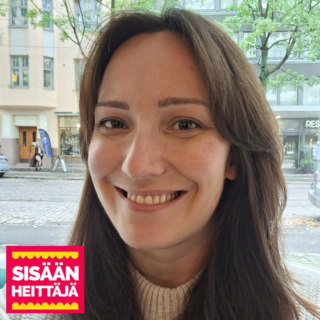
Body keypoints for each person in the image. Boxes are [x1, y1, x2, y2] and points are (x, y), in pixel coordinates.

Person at [1, 8, 320, 320]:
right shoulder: (34, 291)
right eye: (113, 123)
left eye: (184, 124)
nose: (137, 166)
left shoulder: (301, 308)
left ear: (234, 155)